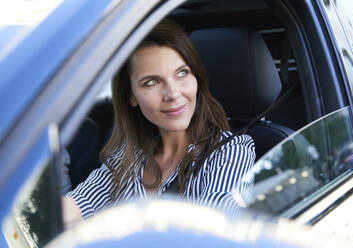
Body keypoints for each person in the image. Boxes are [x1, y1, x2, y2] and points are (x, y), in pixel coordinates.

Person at [63, 19, 255, 227]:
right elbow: (76, 206)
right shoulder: (128, 156)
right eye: (152, 82)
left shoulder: (231, 152)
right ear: (131, 96)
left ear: (196, 78)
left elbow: (207, 235)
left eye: (182, 74)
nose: (172, 94)